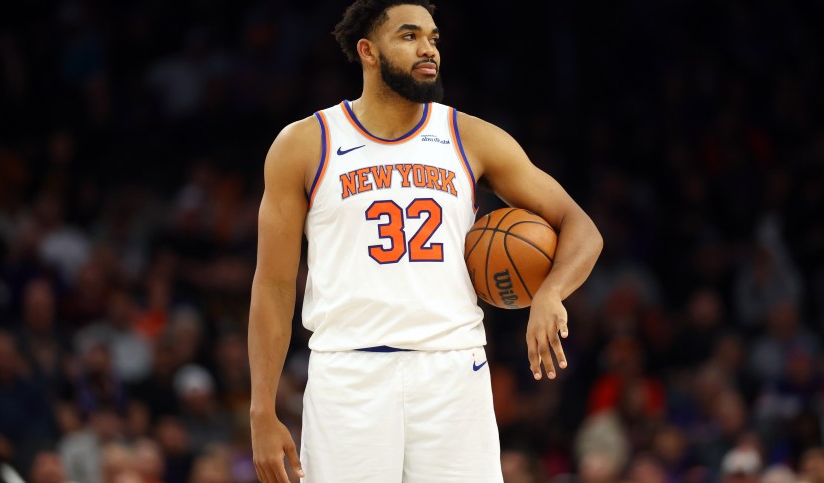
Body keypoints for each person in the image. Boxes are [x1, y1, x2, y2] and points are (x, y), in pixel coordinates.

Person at [247, 1, 603, 481]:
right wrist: (261, 411)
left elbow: (581, 226)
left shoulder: (469, 136)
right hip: (349, 375)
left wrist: (551, 292)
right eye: (409, 36)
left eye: (433, 38)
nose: (428, 49)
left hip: (453, 370)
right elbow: (272, 284)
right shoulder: (305, 143)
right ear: (368, 51)